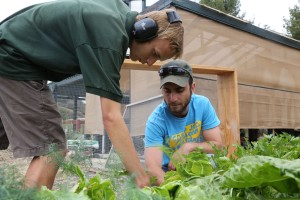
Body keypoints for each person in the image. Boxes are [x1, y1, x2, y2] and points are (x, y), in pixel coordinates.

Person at [0, 0, 184, 189]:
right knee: (52, 149)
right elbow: (111, 117)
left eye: (157, 59)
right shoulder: (110, 37)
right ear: (144, 30)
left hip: (10, 54)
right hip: (12, 61)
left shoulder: (116, 15)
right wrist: (139, 176)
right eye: (154, 52)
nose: (151, 62)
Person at [144, 60, 223, 186]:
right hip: (167, 173)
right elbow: (153, 170)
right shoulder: (155, 121)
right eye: (167, 91)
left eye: (179, 90)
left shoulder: (202, 104)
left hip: (192, 164)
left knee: (213, 162)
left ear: (192, 87)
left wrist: (189, 147)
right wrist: (181, 191)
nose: (173, 98)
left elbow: (217, 145)